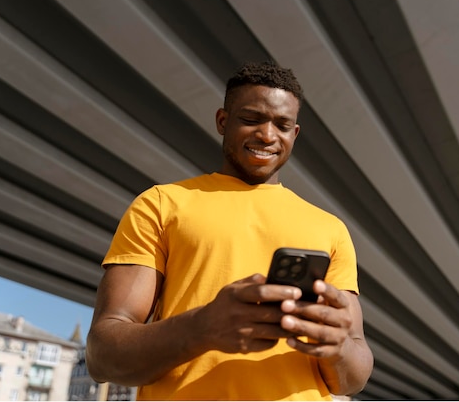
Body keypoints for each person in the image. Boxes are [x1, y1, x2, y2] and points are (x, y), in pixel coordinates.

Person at [86, 61, 374, 400]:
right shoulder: (161, 205)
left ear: (294, 134)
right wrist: (203, 327)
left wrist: (338, 346)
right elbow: (102, 355)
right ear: (223, 121)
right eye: (251, 119)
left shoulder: (330, 229)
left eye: (282, 125)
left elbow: (353, 379)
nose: (267, 135)